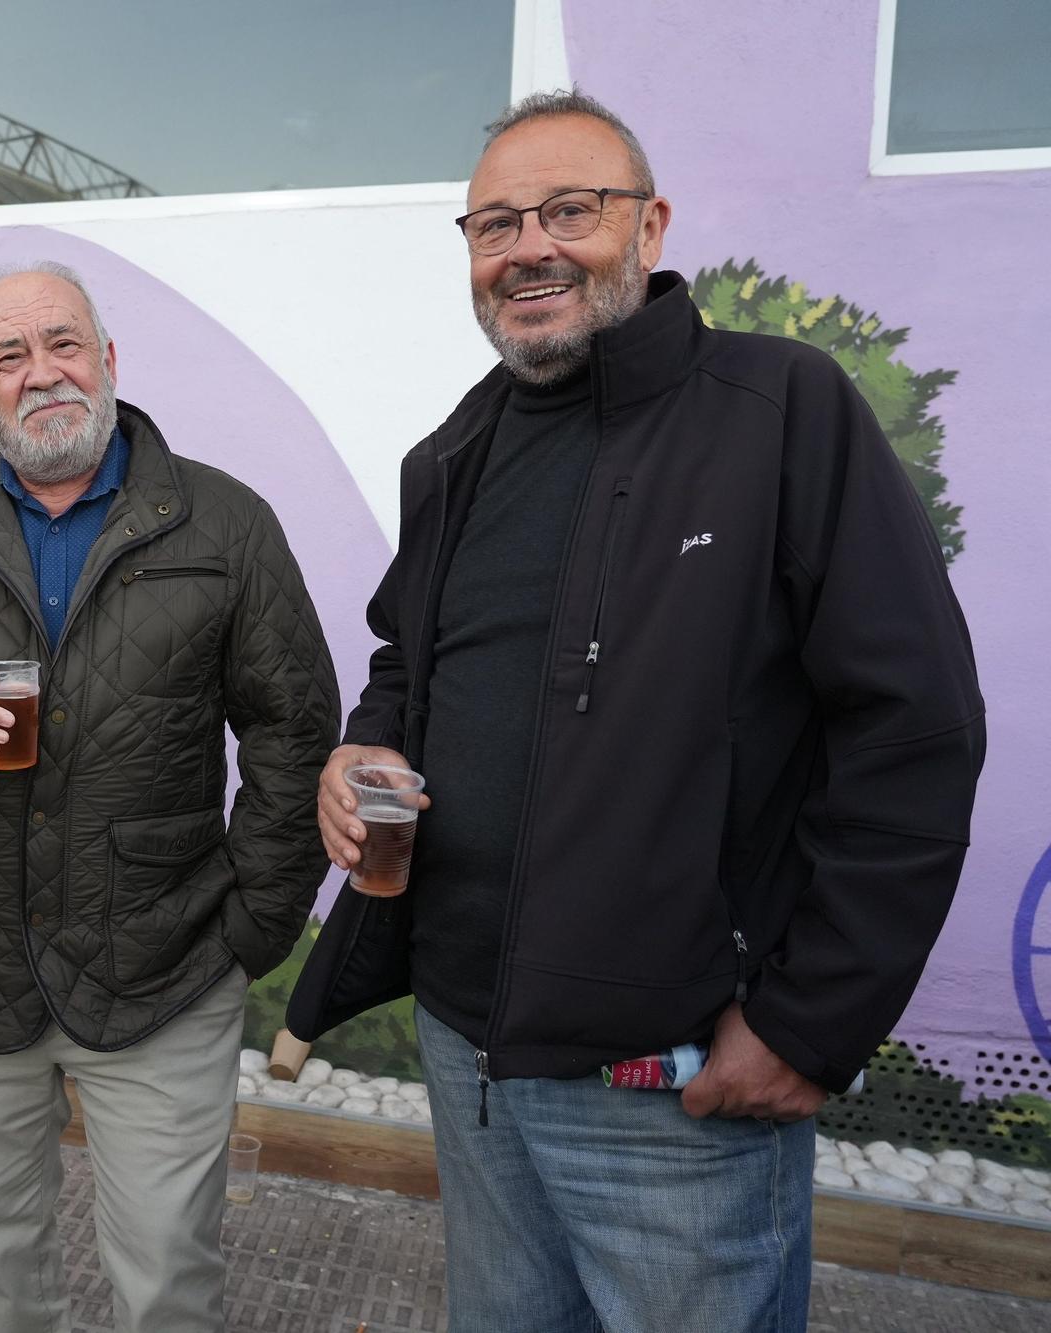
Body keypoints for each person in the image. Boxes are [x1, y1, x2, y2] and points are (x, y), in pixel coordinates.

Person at [288, 90, 985, 1332]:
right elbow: (408, 656)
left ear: (648, 226)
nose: (529, 246)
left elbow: (912, 729)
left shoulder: (781, 411)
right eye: (494, 223)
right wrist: (363, 744)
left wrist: (806, 1025)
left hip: (668, 1085)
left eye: (570, 209)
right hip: (470, 1052)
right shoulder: (454, 451)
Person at [0, 260, 338, 1332]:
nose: (42, 373)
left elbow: (292, 725)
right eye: (8, 356)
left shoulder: (223, 520)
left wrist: (253, 923)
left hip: (160, 970)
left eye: (63, 343)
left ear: (108, 360)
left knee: (165, 1275)